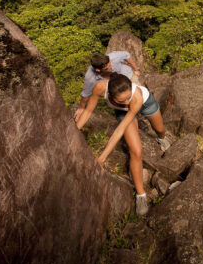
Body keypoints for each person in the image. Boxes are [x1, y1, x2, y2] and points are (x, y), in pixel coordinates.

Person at [76, 73, 170, 216]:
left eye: (128, 97)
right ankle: (141, 195)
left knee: (160, 129)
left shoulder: (136, 97)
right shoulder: (100, 88)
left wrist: (102, 157)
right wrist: (74, 131)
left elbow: (119, 130)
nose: (127, 101)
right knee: (136, 151)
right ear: (110, 95)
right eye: (122, 100)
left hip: (145, 104)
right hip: (124, 113)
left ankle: (162, 139)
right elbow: (89, 111)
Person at [73, 51, 139, 123]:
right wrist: (81, 108)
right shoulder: (90, 77)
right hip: (113, 87)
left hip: (128, 76)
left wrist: (136, 69)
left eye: (110, 64)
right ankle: (134, 115)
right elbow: (85, 94)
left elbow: (127, 55)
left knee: (139, 98)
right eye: (107, 68)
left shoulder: (114, 57)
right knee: (124, 103)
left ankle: (139, 111)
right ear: (98, 70)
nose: (111, 67)